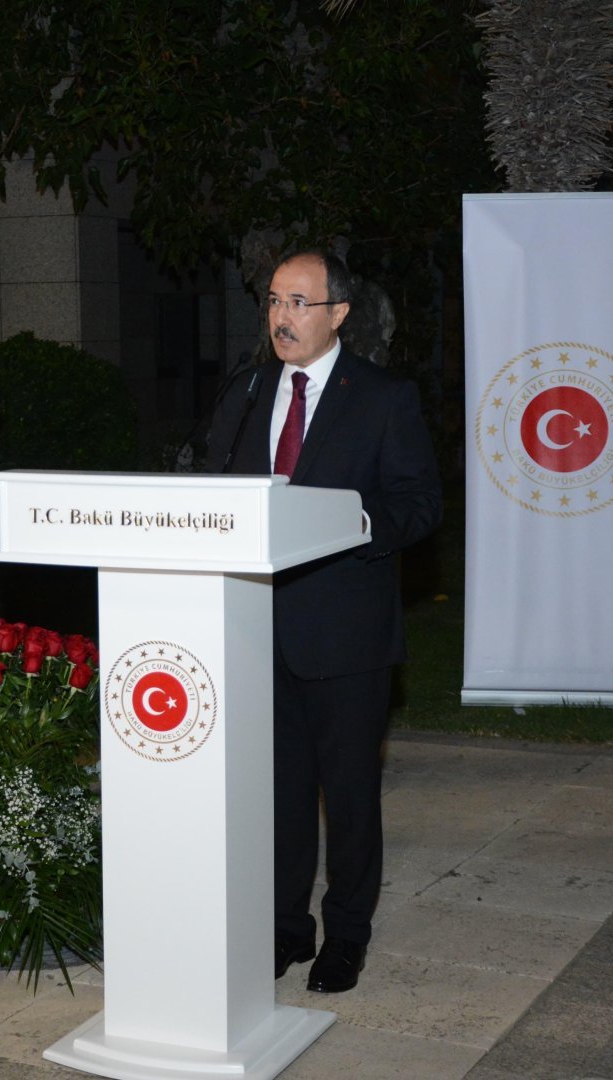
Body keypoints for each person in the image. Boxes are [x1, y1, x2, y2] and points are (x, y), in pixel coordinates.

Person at [206, 250, 441, 994]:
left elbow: (419, 504)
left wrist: (351, 522)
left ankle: (346, 933)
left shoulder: (383, 397)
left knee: (347, 797)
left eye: (299, 303)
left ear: (338, 313)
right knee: (276, 793)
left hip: (345, 635)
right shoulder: (245, 389)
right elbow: (215, 491)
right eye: (274, 300)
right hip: (254, 629)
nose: (281, 316)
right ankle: (284, 929)